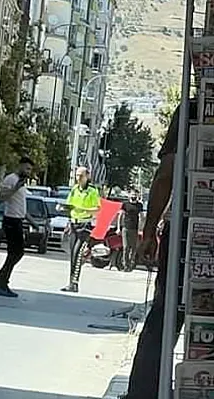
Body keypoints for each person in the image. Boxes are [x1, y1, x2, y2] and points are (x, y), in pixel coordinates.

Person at [118, 101, 191, 399]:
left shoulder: (192, 109)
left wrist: (148, 234)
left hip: (186, 232)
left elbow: (166, 175)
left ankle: (142, 393)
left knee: (166, 313)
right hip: (186, 228)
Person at [0, 156, 39, 298]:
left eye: (30, 170)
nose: (28, 172)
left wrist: (32, 221)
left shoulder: (22, 183)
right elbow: (1, 198)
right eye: (27, 168)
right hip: (10, 220)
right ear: (20, 166)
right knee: (16, 252)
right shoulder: (11, 179)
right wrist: (15, 188)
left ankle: (1, 280)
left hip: (18, 220)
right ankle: (0, 280)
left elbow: (21, 206)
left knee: (16, 253)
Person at [60, 166, 101, 293]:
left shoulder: (92, 191)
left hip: (85, 226)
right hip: (73, 224)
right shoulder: (74, 189)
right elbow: (69, 205)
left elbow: (97, 209)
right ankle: (71, 282)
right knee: (72, 254)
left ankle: (74, 283)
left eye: (81, 176)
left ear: (87, 176)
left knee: (78, 254)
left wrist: (85, 210)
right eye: (77, 175)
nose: (78, 178)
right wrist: (63, 208)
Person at [117, 189, 143, 272]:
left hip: (134, 229)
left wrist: (140, 228)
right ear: (129, 195)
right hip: (126, 228)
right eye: (132, 194)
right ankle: (125, 265)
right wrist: (118, 228)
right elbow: (120, 216)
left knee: (134, 248)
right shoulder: (125, 204)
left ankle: (131, 263)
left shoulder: (139, 205)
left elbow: (141, 217)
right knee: (126, 247)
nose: (133, 196)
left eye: (135, 194)